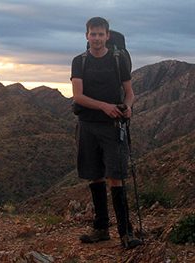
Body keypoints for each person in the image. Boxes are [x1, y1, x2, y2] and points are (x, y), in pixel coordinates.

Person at [70, 17, 142, 249]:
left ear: (108, 36)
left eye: (101, 34)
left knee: (116, 175)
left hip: (112, 126)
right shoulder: (79, 62)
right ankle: (101, 228)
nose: (97, 38)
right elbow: (78, 96)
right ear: (87, 36)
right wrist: (104, 106)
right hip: (88, 123)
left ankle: (125, 233)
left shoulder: (118, 60)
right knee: (95, 174)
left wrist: (127, 107)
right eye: (93, 34)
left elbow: (129, 92)